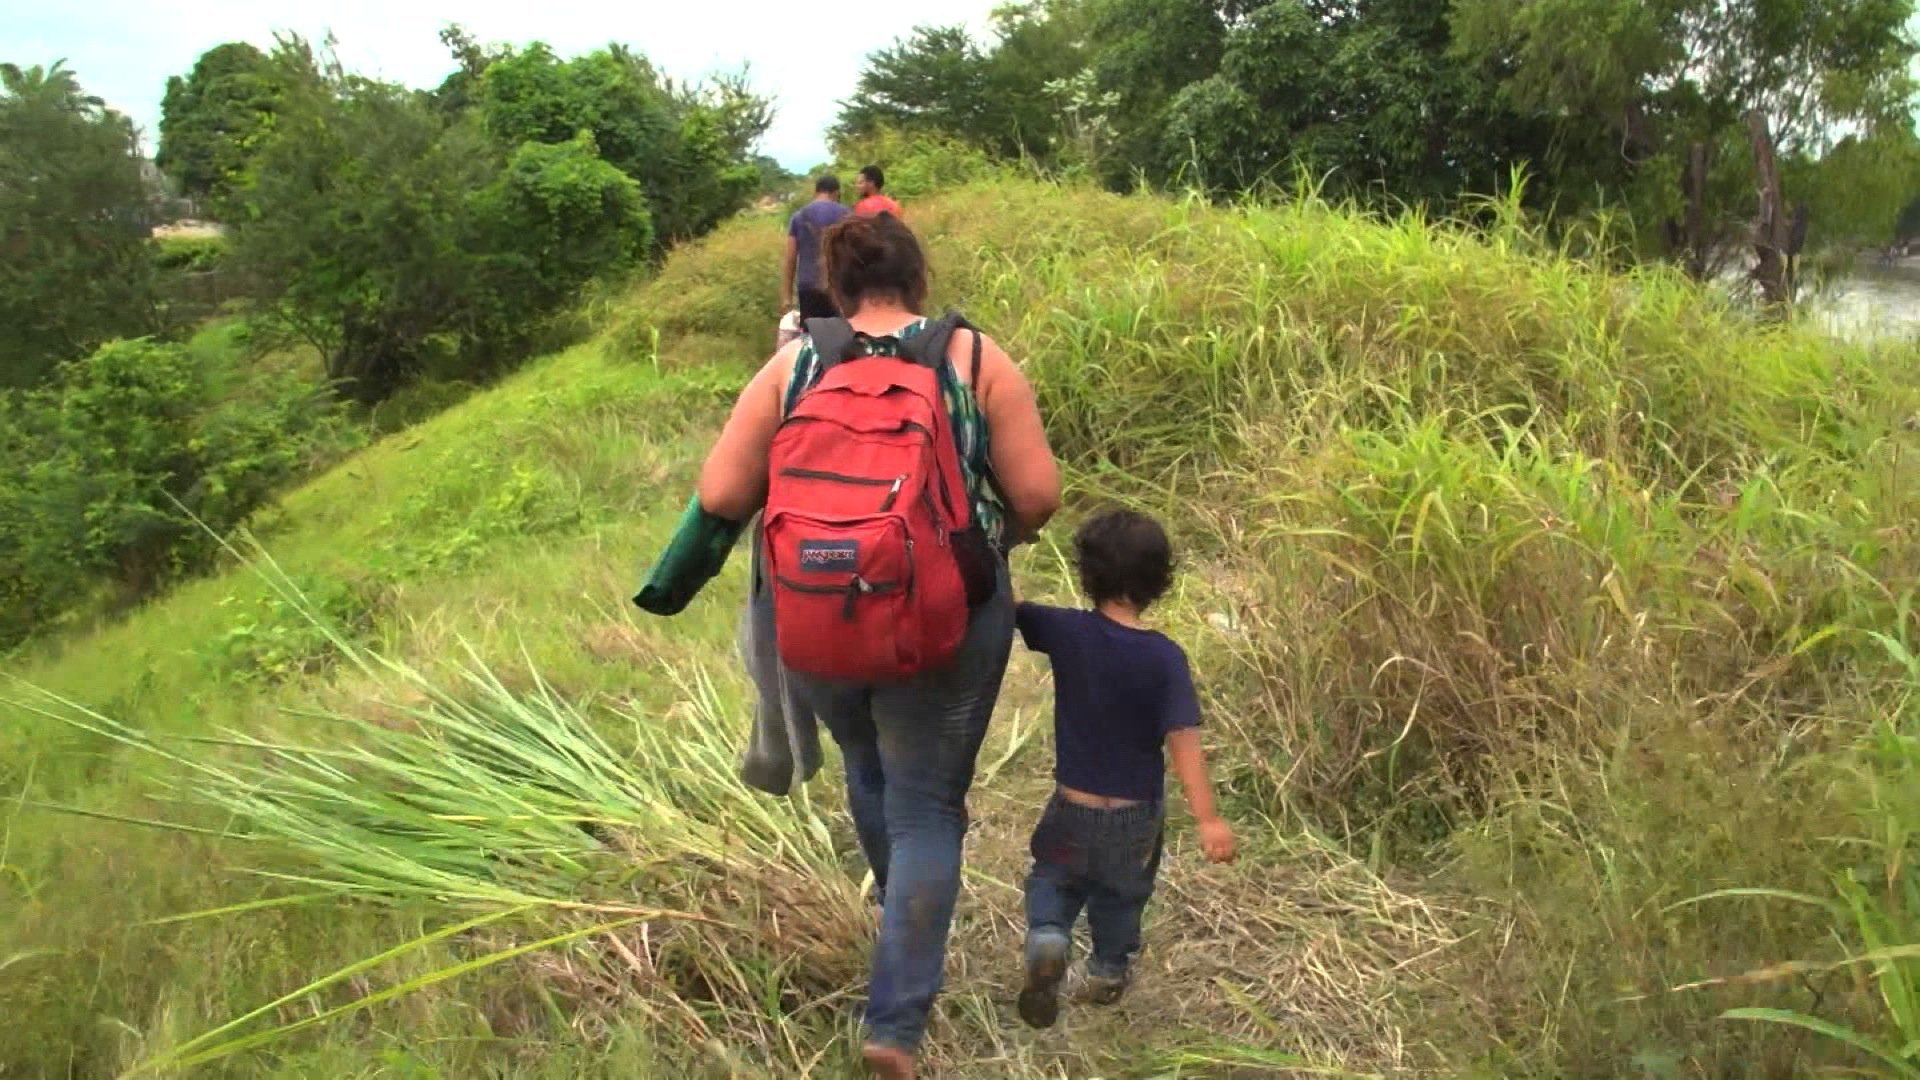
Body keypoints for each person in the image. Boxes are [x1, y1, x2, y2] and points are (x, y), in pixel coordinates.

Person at [697, 212, 1061, 1079]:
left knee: (870, 771)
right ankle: (894, 1025)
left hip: (816, 614)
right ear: (918, 281)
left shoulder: (797, 363)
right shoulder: (973, 359)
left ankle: (902, 928)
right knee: (926, 803)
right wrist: (979, 544)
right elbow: (1040, 495)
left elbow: (719, 493)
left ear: (838, 285)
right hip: (946, 617)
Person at [1009, 509, 1237, 1030]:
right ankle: (1107, 970)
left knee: (1053, 877)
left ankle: (1048, 936)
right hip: (1133, 823)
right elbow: (1184, 742)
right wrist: (1208, 820)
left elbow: (1010, 607)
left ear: (1087, 575)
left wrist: (1006, 539)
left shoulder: (1065, 631)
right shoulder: (1165, 658)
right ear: (1161, 582)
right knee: (1121, 896)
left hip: (1073, 810)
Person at [783, 174, 851, 321]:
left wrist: (787, 296)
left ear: (816, 192)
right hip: (839, 287)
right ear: (836, 193)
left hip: (807, 286)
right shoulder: (847, 215)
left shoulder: (798, 217)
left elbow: (790, 258)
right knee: (842, 338)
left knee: (811, 336)